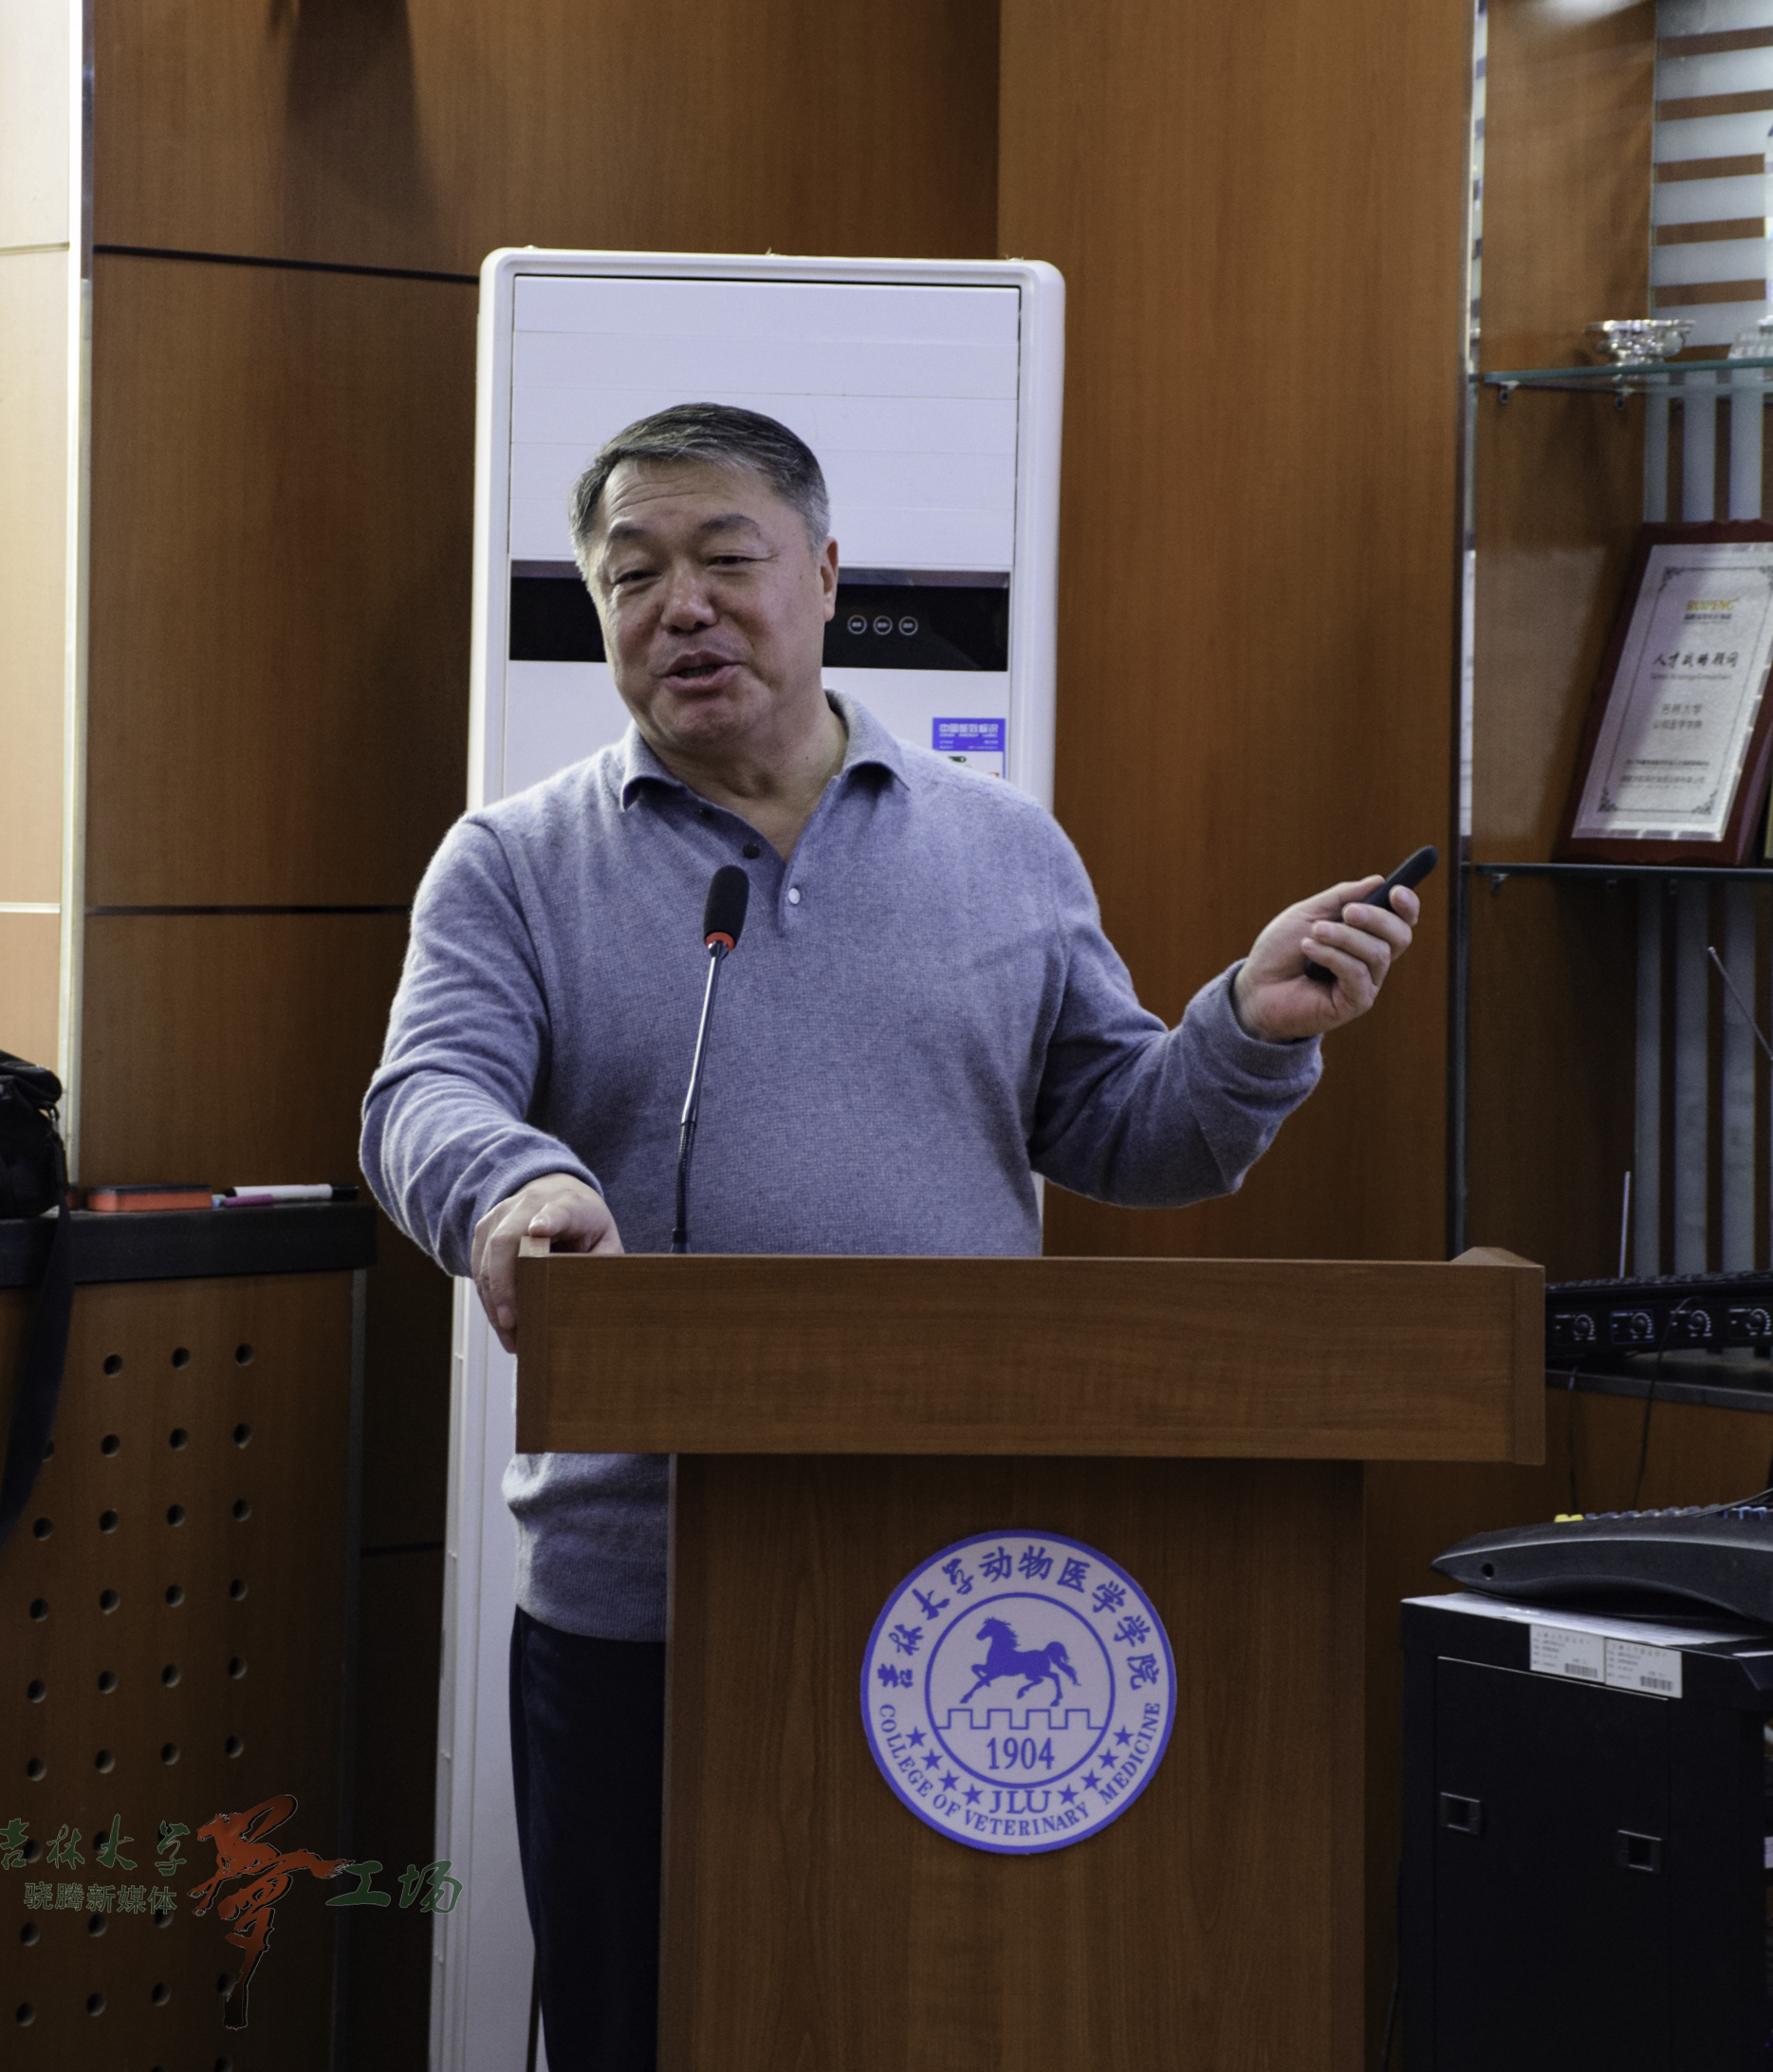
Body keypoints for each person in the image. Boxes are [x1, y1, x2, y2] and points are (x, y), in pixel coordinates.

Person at [360, 403, 1418, 2070]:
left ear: (828, 576)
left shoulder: (1000, 846)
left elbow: (1124, 1132)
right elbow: (423, 1093)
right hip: (642, 1589)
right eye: (631, 577)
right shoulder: (513, 862)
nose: (680, 607)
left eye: (726, 558)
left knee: (942, 2012)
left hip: (951, 1572)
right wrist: (515, 1189)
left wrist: (1245, 1030)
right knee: (649, 2022)